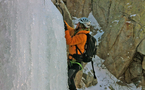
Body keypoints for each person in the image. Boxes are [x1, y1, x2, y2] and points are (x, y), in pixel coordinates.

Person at [64, 17, 91, 90]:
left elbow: (69, 41)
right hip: (71, 61)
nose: (77, 24)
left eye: (79, 24)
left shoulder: (82, 36)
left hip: (76, 63)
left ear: (82, 26)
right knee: (66, 78)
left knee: (69, 78)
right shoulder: (77, 32)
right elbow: (70, 29)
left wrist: (65, 29)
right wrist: (64, 22)